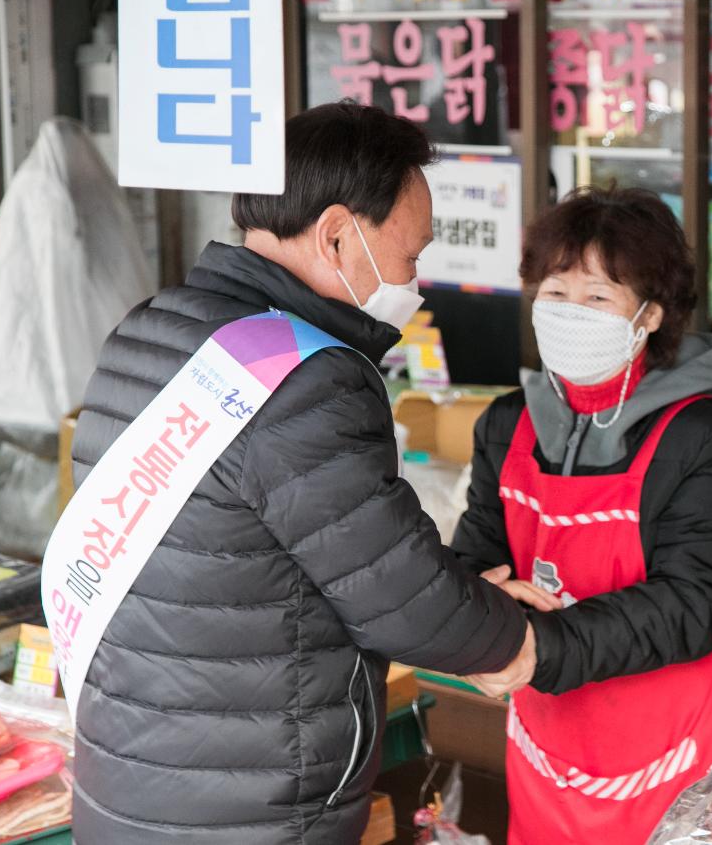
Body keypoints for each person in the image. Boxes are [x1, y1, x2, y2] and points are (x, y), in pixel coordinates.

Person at [69, 103, 533, 844]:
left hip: (129, 785)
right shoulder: (304, 379)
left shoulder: (149, 331)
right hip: (253, 805)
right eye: (411, 257)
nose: (417, 282)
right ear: (339, 235)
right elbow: (402, 599)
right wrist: (513, 638)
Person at [452, 186, 712, 844]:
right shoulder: (506, 424)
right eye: (557, 292)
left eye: (599, 297)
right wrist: (471, 614)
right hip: (550, 756)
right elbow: (474, 555)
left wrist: (540, 645)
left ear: (650, 315)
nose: (573, 313)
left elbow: (701, 599)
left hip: (689, 760)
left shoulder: (702, 434)